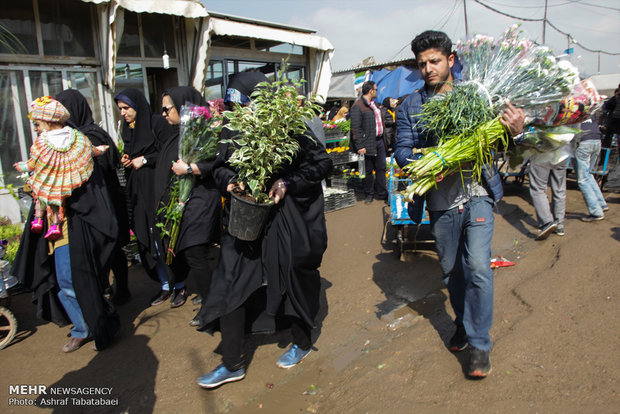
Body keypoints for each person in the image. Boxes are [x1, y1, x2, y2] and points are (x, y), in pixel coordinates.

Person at [395, 30, 524, 378]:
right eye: (422, 64)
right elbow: (402, 151)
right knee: (452, 272)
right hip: (440, 202)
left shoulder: (478, 95)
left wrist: (517, 131)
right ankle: (465, 326)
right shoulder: (411, 104)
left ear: (450, 60)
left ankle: (480, 345)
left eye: (434, 61)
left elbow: (504, 143)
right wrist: (428, 163)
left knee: (479, 267)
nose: (428, 69)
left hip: (477, 193)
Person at [196, 72, 333, 388]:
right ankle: (232, 363)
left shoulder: (289, 128)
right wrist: (230, 181)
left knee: (293, 274)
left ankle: (301, 340)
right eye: (233, 105)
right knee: (231, 278)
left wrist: (287, 182)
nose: (238, 111)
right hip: (244, 215)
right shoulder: (232, 131)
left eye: (242, 104)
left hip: (285, 216)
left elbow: (321, 165)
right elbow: (217, 167)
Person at [12, 118, 120, 353]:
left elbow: (88, 185)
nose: (35, 129)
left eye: (38, 124)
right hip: (52, 224)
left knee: (68, 279)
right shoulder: (45, 148)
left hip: (70, 226)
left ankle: (88, 327)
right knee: (65, 280)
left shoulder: (76, 145)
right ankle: (87, 324)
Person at [56, 89, 131, 305]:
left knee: (110, 247)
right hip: (104, 198)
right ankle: (114, 289)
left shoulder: (91, 136)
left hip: (104, 199)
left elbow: (105, 166)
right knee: (111, 246)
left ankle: (120, 291)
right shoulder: (85, 134)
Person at [154, 86, 222, 313]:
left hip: (202, 198)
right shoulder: (176, 134)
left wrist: (191, 168)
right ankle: (210, 296)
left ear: (183, 107)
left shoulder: (205, 131)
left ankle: (212, 308)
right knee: (190, 251)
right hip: (184, 199)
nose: (164, 114)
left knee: (195, 252)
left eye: (167, 109)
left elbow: (218, 163)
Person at [13, 97, 108, 241]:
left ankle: (39, 219)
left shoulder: (42, 142)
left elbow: (33, 162)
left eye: (36, 123)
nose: (35, 128)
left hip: (49, 184)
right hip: (71, 184)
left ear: (48, 121)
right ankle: (54, 225)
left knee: (43, 198)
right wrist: (100, 150)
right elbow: (90, 150)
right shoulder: (77, 137)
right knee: (56, 203)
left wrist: (23, 166)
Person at [114, 88, 175, 306]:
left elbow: (170, 152)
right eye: (120, 109)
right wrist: (129, 160)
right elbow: (134, 155)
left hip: (158, 189)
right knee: (146, 238)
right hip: (139, 191)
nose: (123, 113)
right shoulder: (127, 129)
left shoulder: (156, 123)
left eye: (126, 108)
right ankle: (165, 284)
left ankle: (178, 283)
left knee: (165, 237)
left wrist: (146, 160)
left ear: (138, 105)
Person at [350, 81, 388, 204]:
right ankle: (369, 194)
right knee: (368, 170)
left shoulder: (374, 104)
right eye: (376, 90)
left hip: (379, 141)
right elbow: (355, 127)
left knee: (381, 168)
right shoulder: (358, 105)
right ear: (371, 90)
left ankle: (382, 193)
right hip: (367, 143)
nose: (377, 92)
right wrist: (360, 145)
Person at [575, 112, 609, 221]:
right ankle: (601, 203)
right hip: (596, 140)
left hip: (585, 141)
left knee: (582, 179)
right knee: (588, 174)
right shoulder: (588, 103)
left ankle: (596, 212)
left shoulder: (573, 105)